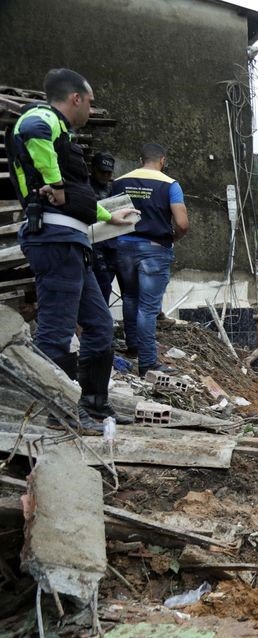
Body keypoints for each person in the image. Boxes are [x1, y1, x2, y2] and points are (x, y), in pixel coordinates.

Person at [9, 68, 136, 432]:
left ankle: (95, 405)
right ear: (75, 98)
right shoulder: (42, 118)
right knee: (56, 330)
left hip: (72, 243)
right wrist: (55, 182)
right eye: (90, 102)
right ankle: (60, 412)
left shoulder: (63, 135)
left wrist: (112, 216)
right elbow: (32, 133)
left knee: (98, 326)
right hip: (53, 240)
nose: (91, 109)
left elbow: (79, 203)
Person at [109, 144, 189, 377]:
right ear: (162, 160)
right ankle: (147, 362)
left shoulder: (120, 182)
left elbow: (109, 216)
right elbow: (182, 224)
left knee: (130, 297)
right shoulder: (170, 184)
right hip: (154, 249)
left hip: (123, 246)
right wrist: (173, 237)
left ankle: (133, 346)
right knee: (148, 307)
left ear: (140, 159)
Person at [88, 151, 119, 308]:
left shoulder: (113, 187)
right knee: (99, 284)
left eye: (108, 172)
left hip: (111, 243)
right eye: (102, 172)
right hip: (92, 242)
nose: (105, 176)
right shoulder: (85, 186)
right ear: (93, 169)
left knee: (106, 285)